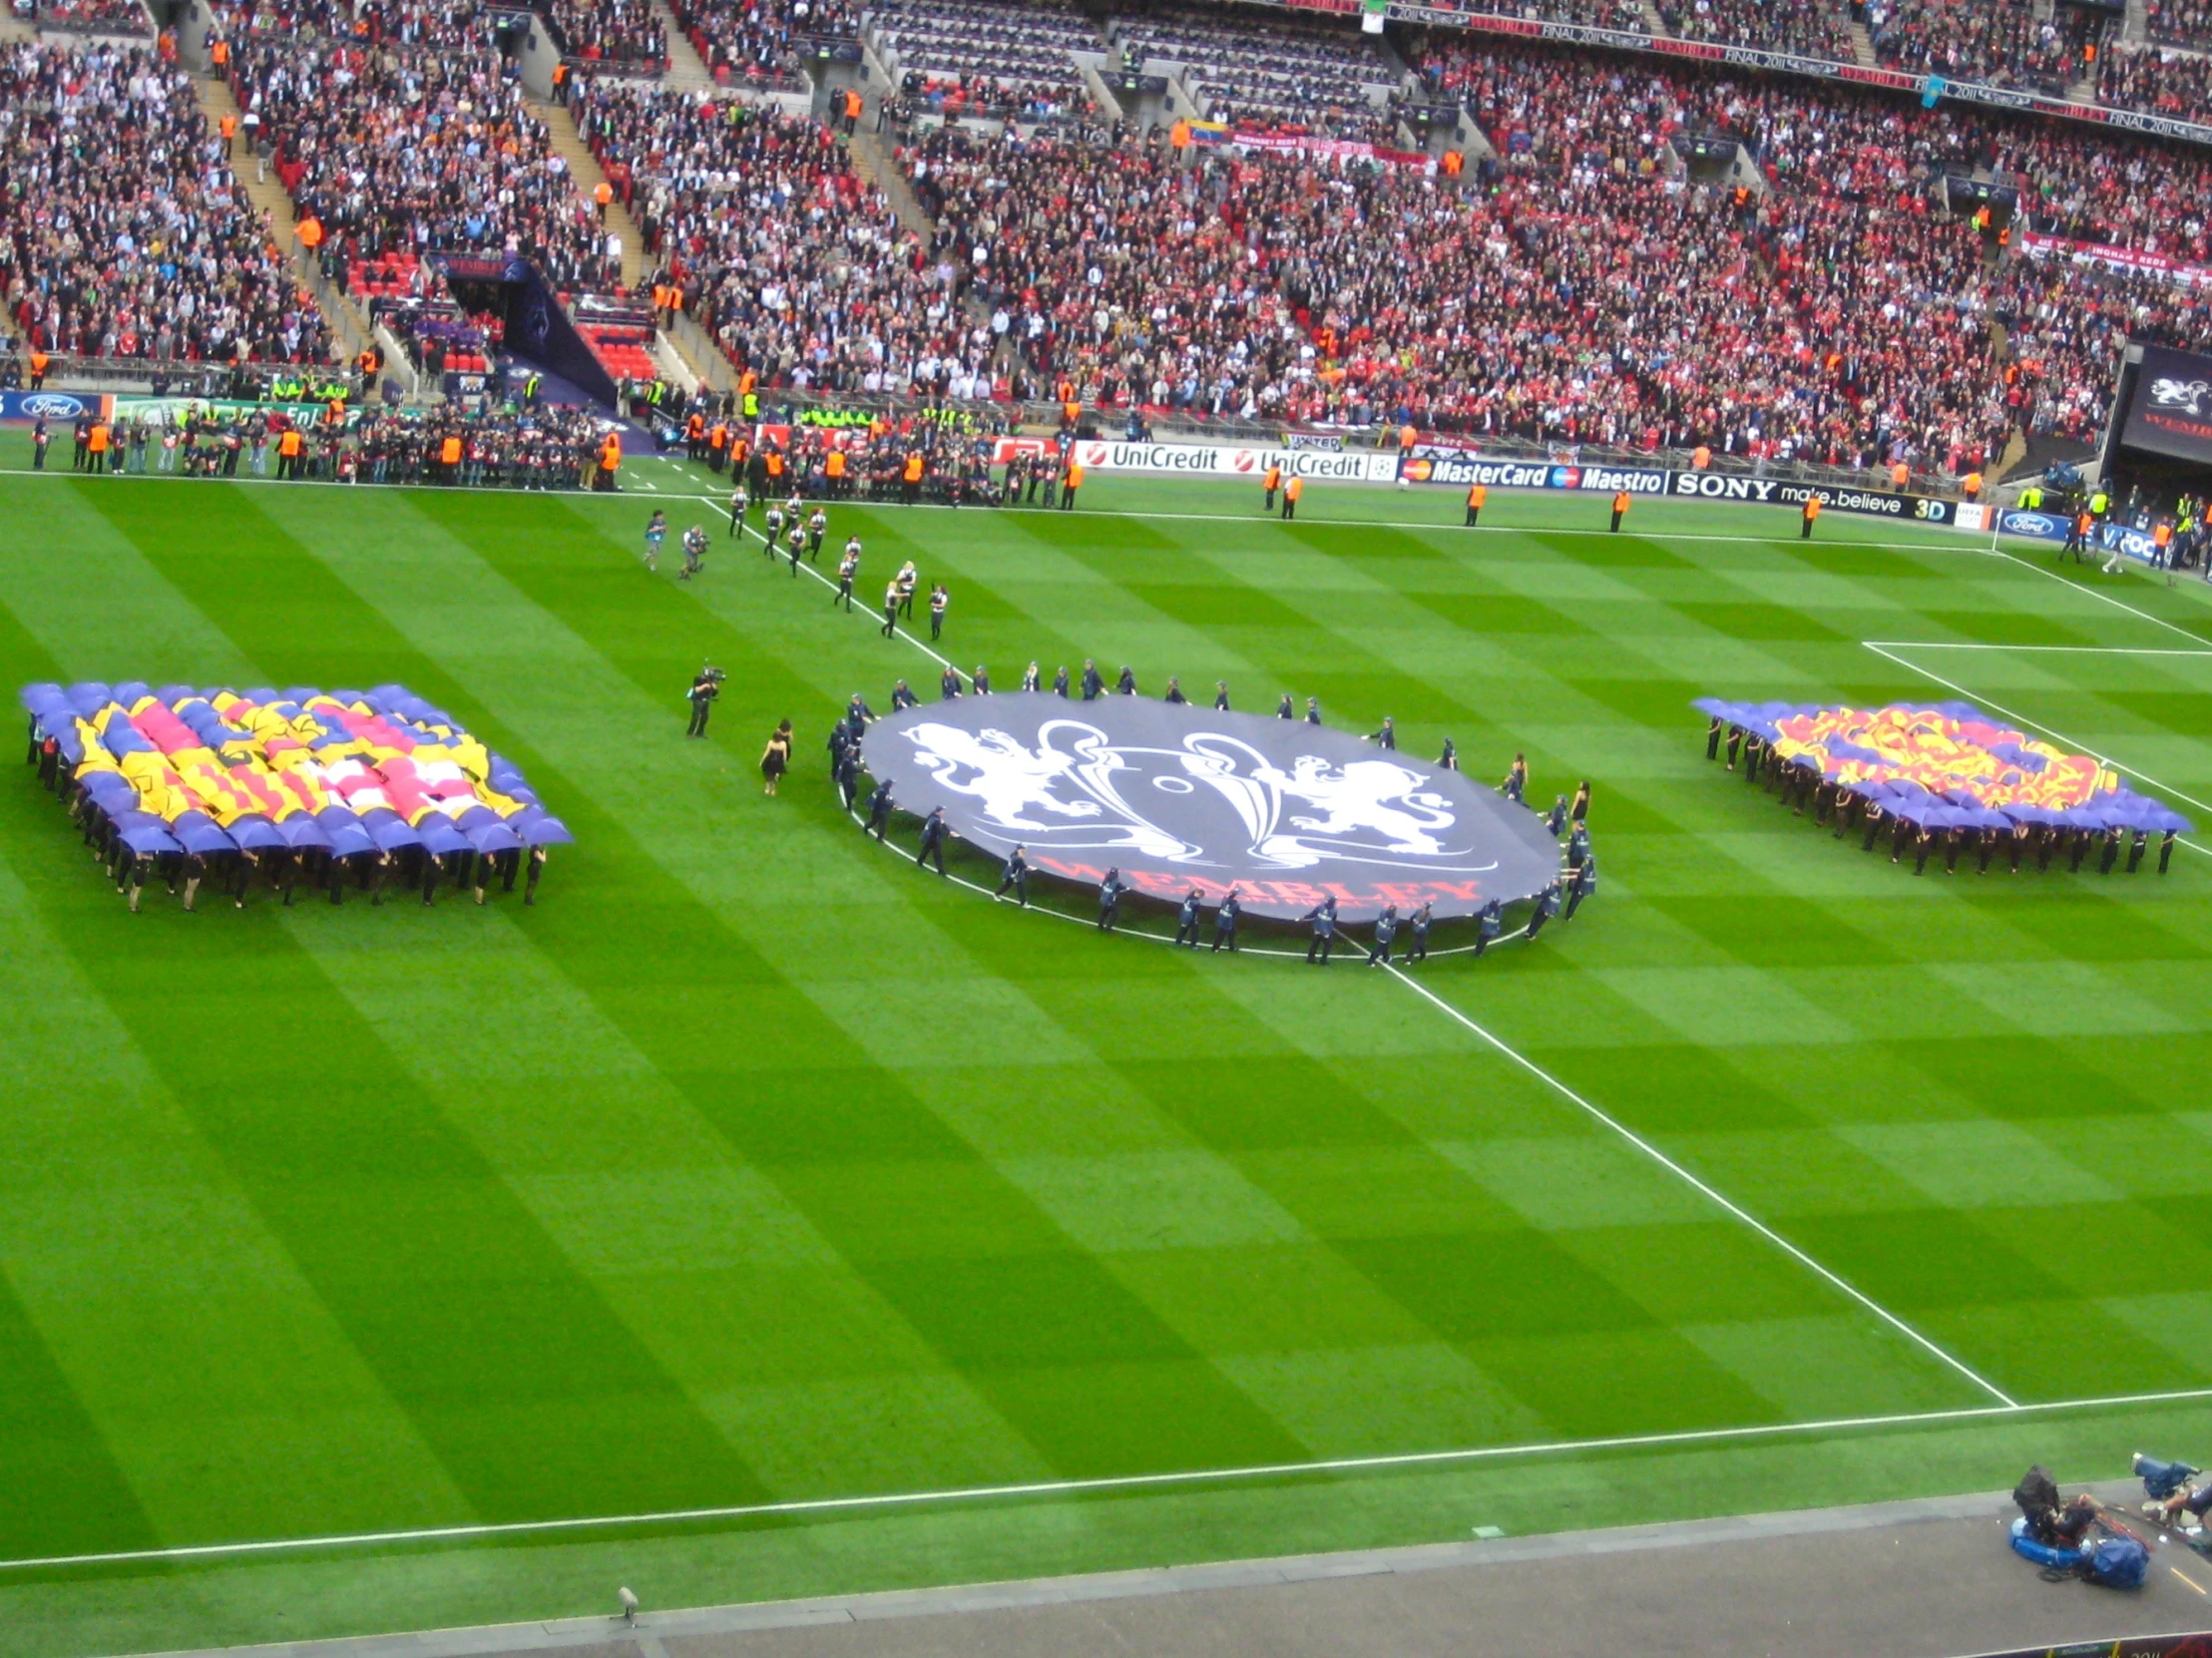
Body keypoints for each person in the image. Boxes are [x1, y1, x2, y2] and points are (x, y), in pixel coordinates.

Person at [685, 664, 719, 736]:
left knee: (705, 717)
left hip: (706, 700)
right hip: (697, 700)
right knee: (695, 717)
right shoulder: (698, 679)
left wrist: (713, 686)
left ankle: (700, 732)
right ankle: (690, 733)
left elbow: (715, 692)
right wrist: (705, 686)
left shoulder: (712, 681)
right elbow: (696, 690)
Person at [1303, 895, 1338, 964]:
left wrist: (1304, 917)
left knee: (1315, 944)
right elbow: (1334, 920)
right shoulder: (1334, 910)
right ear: (1333, 902)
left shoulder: (1320, 907)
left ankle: (1310, 959)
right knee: (1328, 945)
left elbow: (1312, 914)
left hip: (1317, 929)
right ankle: (1323, 960)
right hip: (1326, 931)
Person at [760, 719, 790, 795]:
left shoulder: (771, 742)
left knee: (768, 775)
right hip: (778, 762)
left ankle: (767, 789)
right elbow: (784, 754)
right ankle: (773, 790)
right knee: (774, 777)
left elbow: (766, 752)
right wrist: (784, 761)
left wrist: (761, 761)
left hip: (770, 761)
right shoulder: (783, 744)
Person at [916, 806, 948, 875]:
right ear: (939, 811)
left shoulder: (932, 816)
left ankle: (919, 861)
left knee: (925, 850)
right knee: (937, 855)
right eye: (942, 811)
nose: (943, 812)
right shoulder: (937, 820)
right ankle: (941, 871)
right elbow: (939, 831)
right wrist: (948, 832)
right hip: (934, 839)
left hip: (929, 838)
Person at [1564, 854, 1596, 920]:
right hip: (1585, 890)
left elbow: (1577, 876)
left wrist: (1565, 877)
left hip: (1579, 888)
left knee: (1573, 902)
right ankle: (1570, 915)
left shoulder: (1585, 869)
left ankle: (1568, 915)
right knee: (1577, 903)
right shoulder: (1593, 871)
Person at [1212, 887, 1241, 952]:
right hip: (1229, 920)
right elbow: (1237, 912)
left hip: (1222, 919)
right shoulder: (1236, 904)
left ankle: (1231, 947)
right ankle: (1215, 948)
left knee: (1228, 934)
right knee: (1222, 934)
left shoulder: (1225, 899)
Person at [835, 537, 861, 610]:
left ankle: (848, 608)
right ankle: (836, 599)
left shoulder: (852, 565)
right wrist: (845, 574)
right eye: (849, 558)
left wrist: (852, 575)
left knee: (849, 594)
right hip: (843, 580)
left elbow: (852, 572)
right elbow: (839, 572)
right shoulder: (843, 564)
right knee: (842, 593)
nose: (850, 558)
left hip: (849, 581)